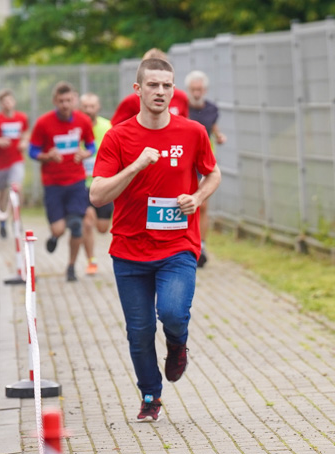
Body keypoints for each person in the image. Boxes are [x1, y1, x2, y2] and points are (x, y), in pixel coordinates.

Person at [90, 57, 220, 422]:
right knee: (140, 330)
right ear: (138, 90)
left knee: (173, 314)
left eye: (167, 85)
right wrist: (135, 166)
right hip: (129, 252)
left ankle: (177, 344)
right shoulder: (119, 136)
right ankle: (150, 395)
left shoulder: (192, 132)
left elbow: (213, 174)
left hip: (177, 246)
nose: (161, 91)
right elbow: (97, 195)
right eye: (153, 85)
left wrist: (197, 198)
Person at [29, 81, 95, 282]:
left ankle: (71, 266)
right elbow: (32, 151)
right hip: (53, 183)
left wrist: (85, 153)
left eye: (68, 100)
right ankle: (55, 236)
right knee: (58, 228)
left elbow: (91, 145)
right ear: (55, 101)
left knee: (76, 225)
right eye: (61, 101)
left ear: (74, 100)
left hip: (76, 180)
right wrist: (47, 156)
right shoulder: (43, 123)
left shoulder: (83, 121)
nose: (65, 105)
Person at [185, 70, 227, 268]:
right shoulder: (182, 108)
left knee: (202, 205)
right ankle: (184, 243)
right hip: (184, 160)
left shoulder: (211, 109)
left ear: (205, 90)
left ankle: (201, 245)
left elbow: (212, 127)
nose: (196, 92)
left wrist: (219, 136)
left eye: (199, 89)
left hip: (203, 161)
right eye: (193, 89)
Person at [0, 89, 29, 238]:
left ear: (13, 102)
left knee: (16, 187)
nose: (7, 103)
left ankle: (16, 218)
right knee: (2, 192)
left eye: (9, 100)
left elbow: (27, 132)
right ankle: (2, 220)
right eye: (4, 101)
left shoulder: (22, 117)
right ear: (0, 104)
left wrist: (24, 142)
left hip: (16, 160)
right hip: (0, 163)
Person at [78, 92, 113, 275]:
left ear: (98, 108)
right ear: (80, 108)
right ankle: (91, 261)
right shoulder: (74, 128)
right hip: (82, 184)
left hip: (103, 183)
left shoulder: (107, 126)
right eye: (85, 106)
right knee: (87, 222)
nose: (89, 110)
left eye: (92, 106)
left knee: (102, 227)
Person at [111, 49, 189, 125]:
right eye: (151, 67)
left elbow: (184, 125)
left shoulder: (181, 97)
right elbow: (117, 129)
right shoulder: (130, 102)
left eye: (161, 66)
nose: (160, 92)